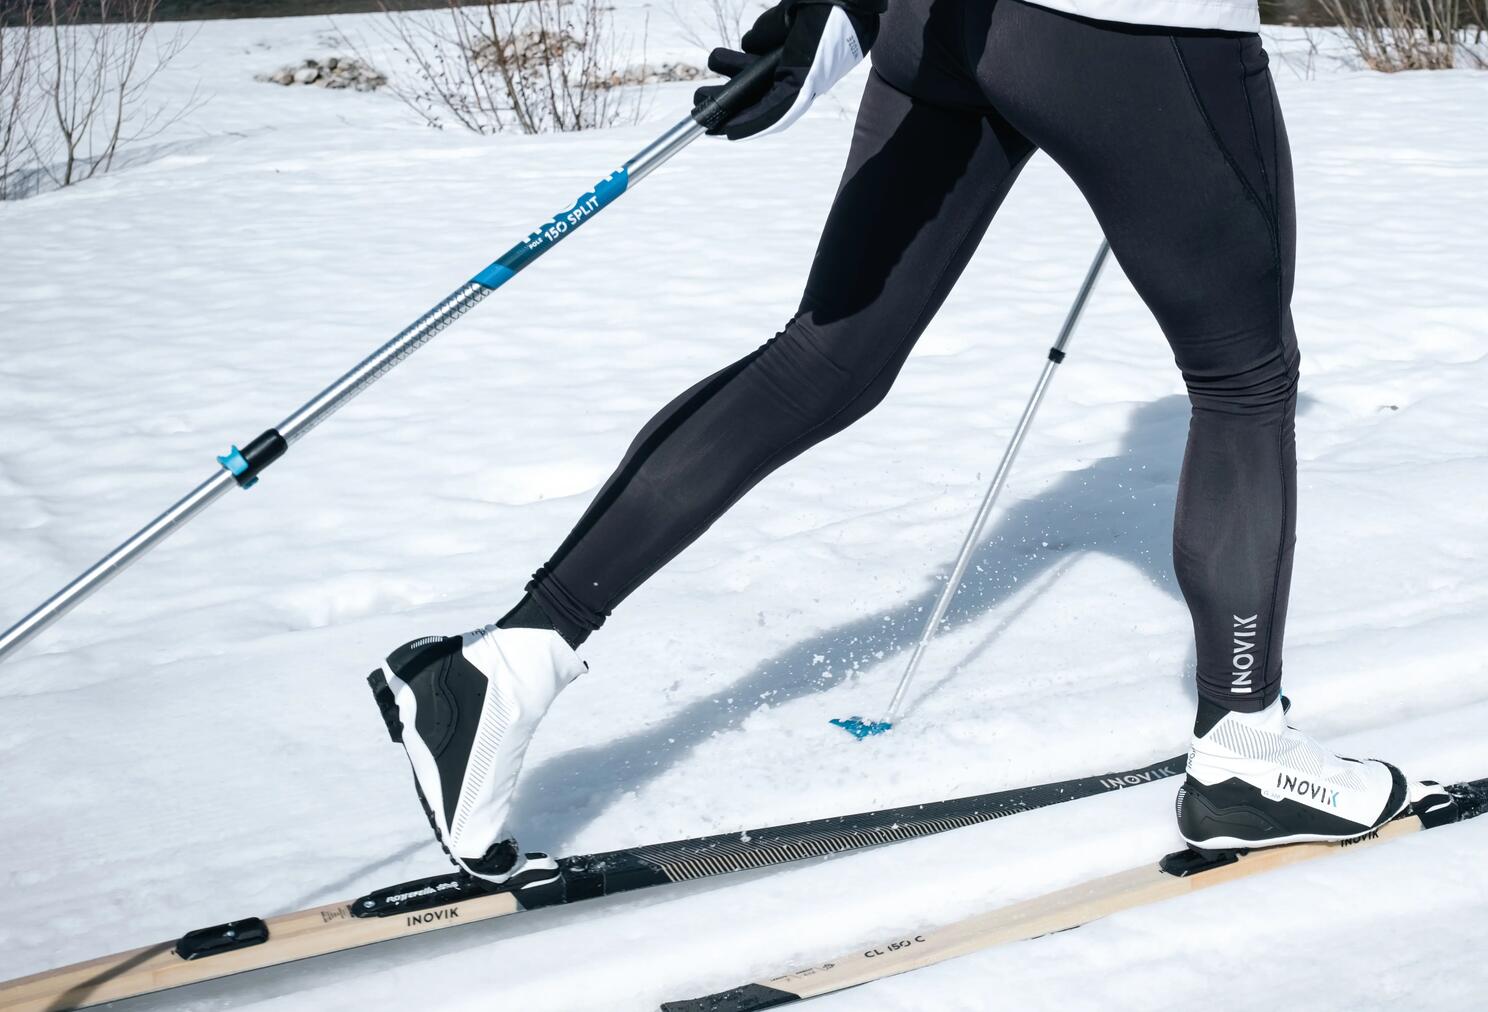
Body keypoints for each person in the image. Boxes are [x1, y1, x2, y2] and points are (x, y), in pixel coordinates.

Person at [366, 0, 1432, 893]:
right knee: (1244, 377)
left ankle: (504, 665)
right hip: (1124, 30)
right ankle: (1247, 749)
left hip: (935, 22)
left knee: (826, 360)